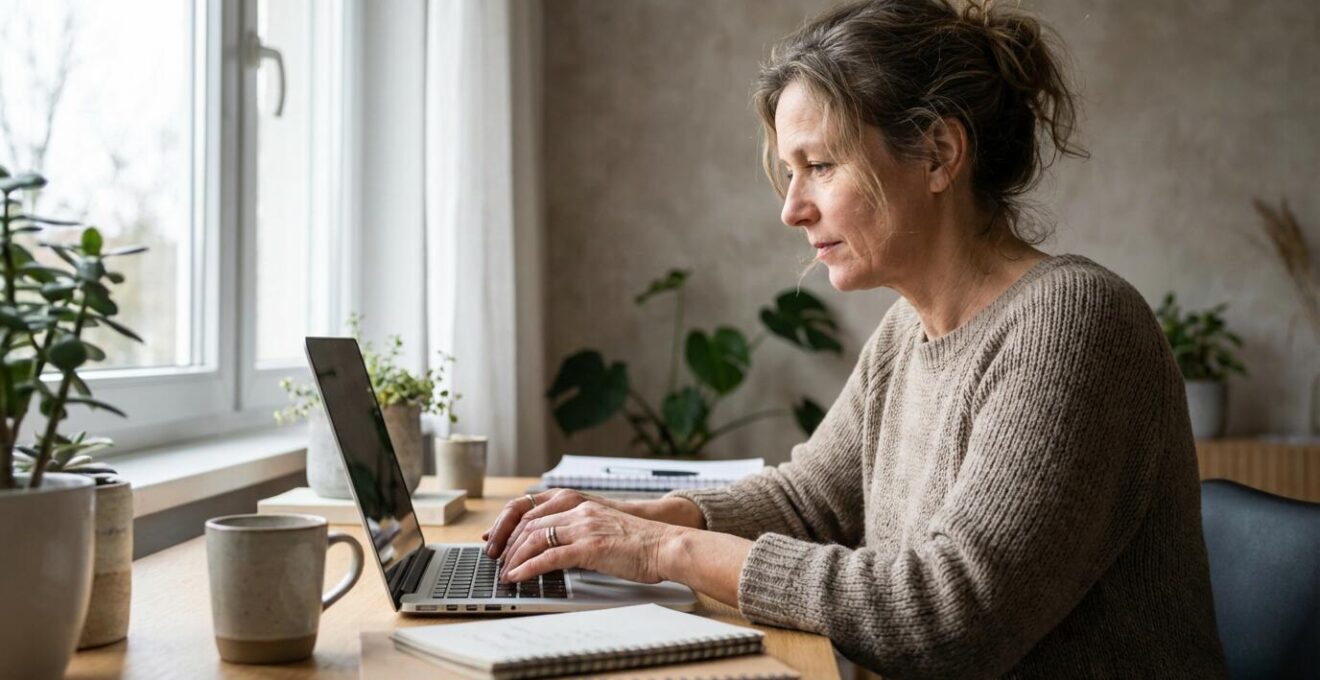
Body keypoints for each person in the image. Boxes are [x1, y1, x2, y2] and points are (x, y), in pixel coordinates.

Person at [483, 0, 1228, 676]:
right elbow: (813, 500)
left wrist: (669, 552)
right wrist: (666, 514)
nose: (793, 210)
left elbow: (946, 618)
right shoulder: (910, 327)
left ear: (938, 154)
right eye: (788, 172)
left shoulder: (1074, 324)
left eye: (820, 165)